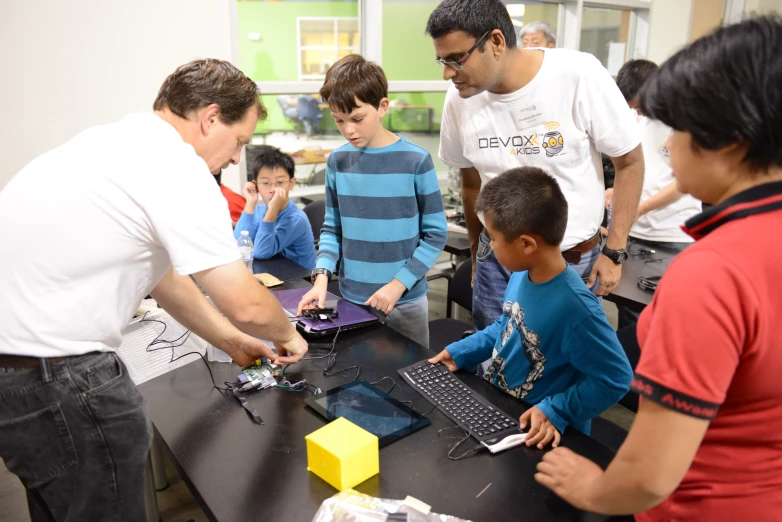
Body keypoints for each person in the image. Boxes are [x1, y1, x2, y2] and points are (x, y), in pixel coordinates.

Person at [0, 58, 308, 521]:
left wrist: (229, 340)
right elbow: (245, 301)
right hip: (62, 379)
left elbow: (163, 280)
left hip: (16, 379)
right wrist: (288, 335)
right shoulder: (176, 167)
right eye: (238, 142)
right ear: (209, 118)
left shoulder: (111, 143)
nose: (232, 158)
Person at [535, 17, 782, 521]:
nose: (668, 146)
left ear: (731, 142)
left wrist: (594, 490)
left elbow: (649, 475)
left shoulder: (711, 273)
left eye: (678, 130)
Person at [426, 0, 644, 342]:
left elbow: (629, 162)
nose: (447, 73)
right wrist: (475, 250)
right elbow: (471, 183)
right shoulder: (459, 99)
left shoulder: (578, 75)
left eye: (456, 59)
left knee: (554, 363)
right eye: (442, 61)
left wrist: (614, 252)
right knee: (494, 359)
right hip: (494, 258)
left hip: (568, 260)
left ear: (496, 42)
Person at [429, 168, 632, 448]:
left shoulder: (576, 309)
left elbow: (616, 378)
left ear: (526, 244)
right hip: (505, 407)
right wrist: (461, 352)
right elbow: (508, 325)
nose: (491, 246)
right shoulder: (523, 274)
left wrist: (558, 410)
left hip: (537, 433)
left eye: (494, 238)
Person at [297, 54, 447, 348]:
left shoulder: (416, 160)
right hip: (353, 301)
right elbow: (332, 229)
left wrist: (398, 285)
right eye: (338, 120)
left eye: (357, 119)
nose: (348, 130)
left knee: (409, 385)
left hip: (405, 304)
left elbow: (435, 234)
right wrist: (322, 278)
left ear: (382, 107)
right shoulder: (338, 161)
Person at [611, 59, 702, 328]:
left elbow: (682, 183)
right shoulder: (637, 117)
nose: (637, 112)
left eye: (639, 105)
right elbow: (634, 167)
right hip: (636, 234)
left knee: (664, 318)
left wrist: (639, 208)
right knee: (628, 314)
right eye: (632, 107)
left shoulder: (683, 120)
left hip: (672, 235)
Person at [234, 148, 317, 270]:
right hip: (274, 273)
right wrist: (250, 203)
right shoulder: (258, 211)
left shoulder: (296, 219)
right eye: (265, 183)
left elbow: (261, 252)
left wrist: (273, 209)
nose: (273, 189)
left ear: (292, 184)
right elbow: (238, 245)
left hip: (302, 280)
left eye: (280, 182)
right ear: (255, 185)